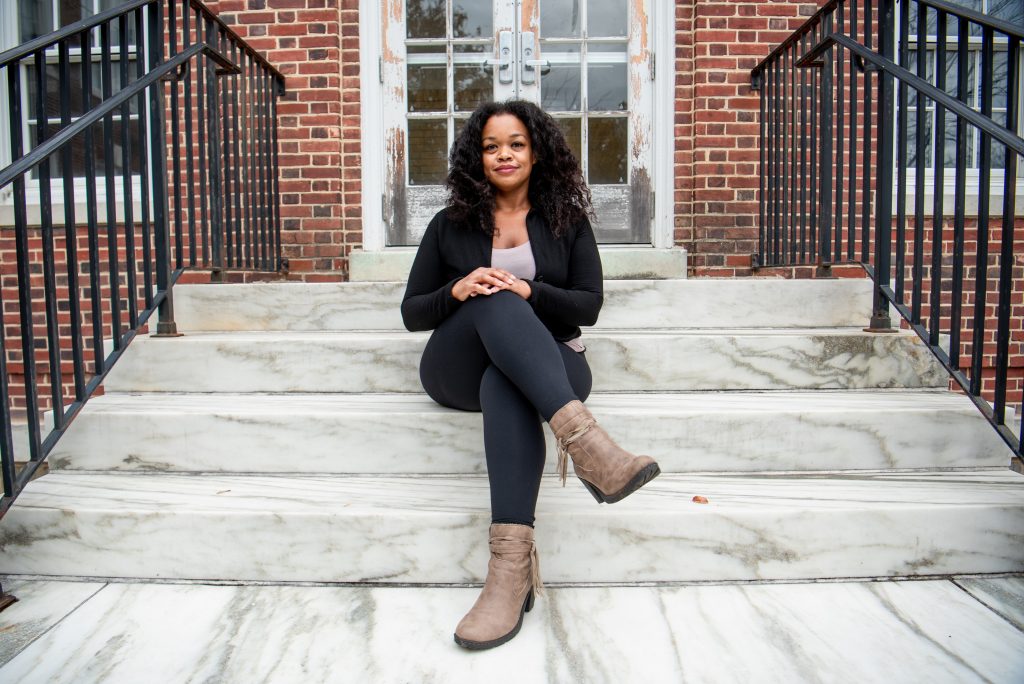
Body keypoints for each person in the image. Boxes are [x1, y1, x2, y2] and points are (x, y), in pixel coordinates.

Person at [401, 100, 660, 651]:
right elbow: (411, 312)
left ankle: (509, 572)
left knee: (507, 380)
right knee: (491, 297)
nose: (504, 155)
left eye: (515, 143)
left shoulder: (566, 220)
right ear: (478, 157)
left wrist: (530, 290)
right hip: (456, 367)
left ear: (536, 151)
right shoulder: (448, 226)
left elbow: (587, 306)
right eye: (491, 146)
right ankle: (590, 448)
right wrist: (458, 289)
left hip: (552, 359)